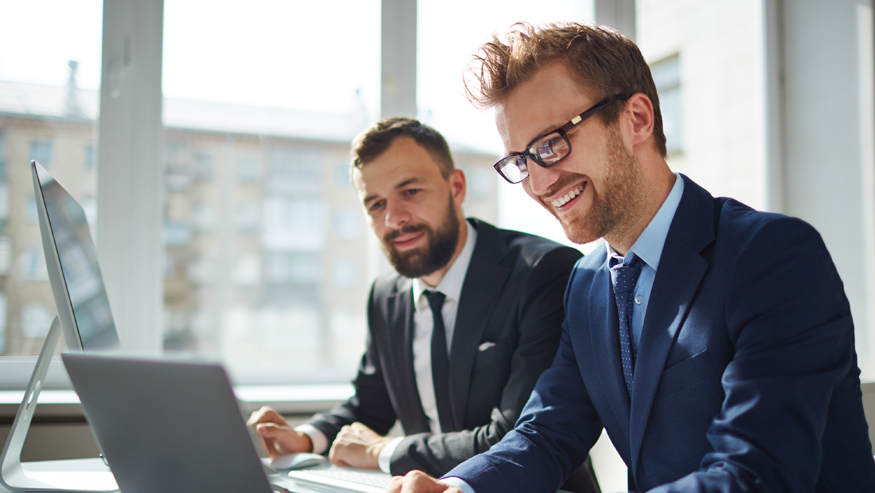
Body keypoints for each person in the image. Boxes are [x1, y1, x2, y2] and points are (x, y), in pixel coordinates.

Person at [386, 21, 875, 493]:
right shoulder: (587, 284)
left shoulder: (772, 256)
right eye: (521, 161)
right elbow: (548, 431)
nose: (537, 184)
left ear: (636, 119)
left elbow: (755, 473)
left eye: (551, 145)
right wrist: (460, 486)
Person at [248, 117, 599, 492]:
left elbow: (514, 437)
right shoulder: (386, 296)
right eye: (376, 204)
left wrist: (388, 451)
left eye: (410, 192)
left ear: (456, 187)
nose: (393, 219)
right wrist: (305, 438)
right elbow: (370, 405)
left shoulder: (542, 273)